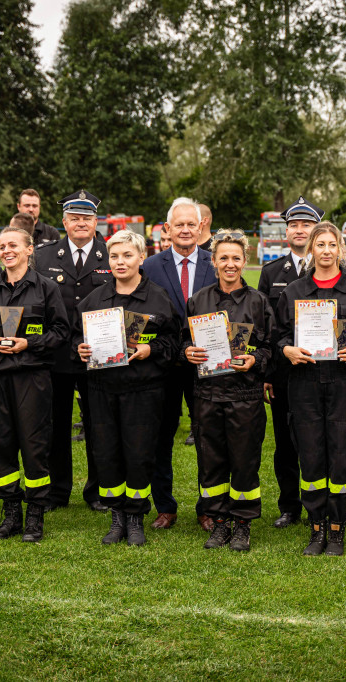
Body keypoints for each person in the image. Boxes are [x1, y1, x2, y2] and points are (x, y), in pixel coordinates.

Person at [276, 221, 346, 556]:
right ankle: (317, 526)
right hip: (304, 384)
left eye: (331, 245)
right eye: (319, 245)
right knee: (310, 457)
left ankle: (336, 529)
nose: (326, 251)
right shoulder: (293, 291)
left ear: (341, 249)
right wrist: (286, 350)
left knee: (342, 456)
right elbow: (277, 335)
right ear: (311, 250)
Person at [0, 226, 69, 542]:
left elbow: (62, 332)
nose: (7, 250)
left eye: (14, 245)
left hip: (32, 378)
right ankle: (11, 513)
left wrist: (30, 344)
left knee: (35, 446)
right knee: (2, 444)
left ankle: (35, 515)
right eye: (3, 245)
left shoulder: (46, 288)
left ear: (28, 249)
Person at [76, 230, 180, 546]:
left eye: (127, 255)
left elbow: (174, 342)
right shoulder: (94, 300)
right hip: (103, 389)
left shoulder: (158, 298)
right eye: (115, 256)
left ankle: (135, 518)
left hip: (143, 390)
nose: (120, 262)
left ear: (140, 257)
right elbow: (75, 338)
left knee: (138, 453)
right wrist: (79, 349)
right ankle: (116, 518)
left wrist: (152, 350)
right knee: (107, 453)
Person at [183, 230, 273, 551]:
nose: (230, 264)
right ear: (214, 261)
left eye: (236, 258)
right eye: (224, 257)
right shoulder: (199, 300)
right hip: (207, 395)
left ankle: (243, 523)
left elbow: (270, 347)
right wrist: (187, 352)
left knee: (244, 462)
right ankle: (219, 522)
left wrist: (256, 358)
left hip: (245, 397)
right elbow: (185, 339)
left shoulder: (259, 302)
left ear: (245, 261)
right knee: (212, 462)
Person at [32, 190, 114, 512]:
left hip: (99, 356)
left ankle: (96, 491)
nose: (81, 223)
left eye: (87, 218)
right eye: (75, 218)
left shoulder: (111, 254)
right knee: (56, 424)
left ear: (96, 222)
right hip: (57, 355)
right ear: (64, 222)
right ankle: (58, 491)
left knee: (98, 425)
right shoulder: (44, 256)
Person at [142, 197, 218, 530]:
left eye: (192, 224)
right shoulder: (150, 266)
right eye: (179, 224)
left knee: (209, 437)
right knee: (161, 436)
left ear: (201, 227)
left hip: (207, 364)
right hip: (163, 367)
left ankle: (208, 507)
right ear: (167, 229)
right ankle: (165, 506)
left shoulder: (216, 262)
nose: (186, 229)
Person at [258, 196, 319, 528]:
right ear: (286, 231)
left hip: (320, 370)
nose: (299, 230)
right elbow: (266, 326)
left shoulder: (334, 268)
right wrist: (267, 373)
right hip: (282, 372)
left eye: (306, 224)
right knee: (284, 442)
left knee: (314, 439)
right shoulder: (271, 272)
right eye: (293, 225)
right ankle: (289, 506)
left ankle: (315, 505)